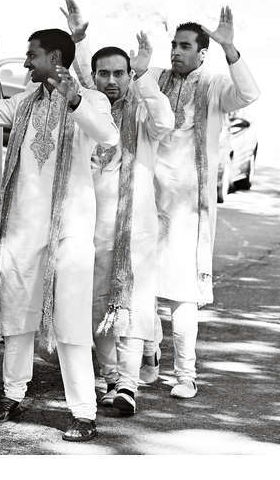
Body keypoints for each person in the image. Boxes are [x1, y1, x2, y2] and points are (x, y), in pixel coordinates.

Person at [0, 26, 119, 442]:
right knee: (16, 318)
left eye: (32, 55)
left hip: (69, 230)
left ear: (55, 58)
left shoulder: (92, 99)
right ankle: (12, 395)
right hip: (22, 228)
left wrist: (76, 101)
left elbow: (109, 136)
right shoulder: (24, 102)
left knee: (70, 323)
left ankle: (83, 412)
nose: (26, 62)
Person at [142, 8, 260, 398]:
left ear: (203, 53)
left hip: (188, 208)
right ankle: (149, 355)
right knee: (141, 286)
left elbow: (248, 94)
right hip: (145, 199)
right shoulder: (155, 78)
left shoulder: (212, 85)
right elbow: (104, 85)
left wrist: (230, 48)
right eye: (174, 45)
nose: (175, 52)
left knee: (182, 294)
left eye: (185, 46)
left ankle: (186, 374)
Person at [72, 28, 175, 415]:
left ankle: (129, 385)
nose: (112, 81)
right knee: (97, 308)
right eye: (104, 74)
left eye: (120, 73)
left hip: (136, 231)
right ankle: (112, 376)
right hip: (90, 229)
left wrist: (146, 75)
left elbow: (166, 120)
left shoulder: (145, 115)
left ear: (130, 76)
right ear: (94, 77)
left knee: (134, 308)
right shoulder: (84, 116)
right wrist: (78, 39)